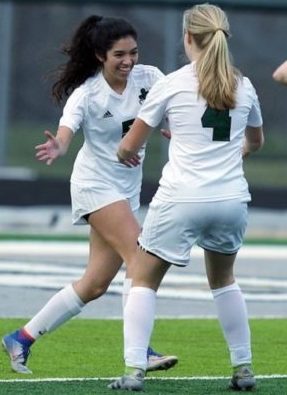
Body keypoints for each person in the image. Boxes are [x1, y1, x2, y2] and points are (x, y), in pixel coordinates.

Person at [2, 15, 178, 375]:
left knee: (95, 284)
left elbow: (175, 108)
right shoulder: (87, 94)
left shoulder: (151, 77)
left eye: (133, 52)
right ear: (100, 55)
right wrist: (59, 147)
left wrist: (176, 128)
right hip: (94, 186)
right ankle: (140, 351)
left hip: (125, 192)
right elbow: (66, 132)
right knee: (141, 258)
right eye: (119, 55)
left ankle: (21, 337)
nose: (128, 61)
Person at [108, 3, 264, 392]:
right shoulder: (243, 85)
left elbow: (129, 146)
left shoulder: (172, 83)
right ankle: (243, 369)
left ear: (187, 38)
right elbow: (255, 142)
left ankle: (132, 372)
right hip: (230, 200)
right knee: (225, 281)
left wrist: (121, 154)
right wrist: (226, 153)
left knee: (142, 277)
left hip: (181, 199)